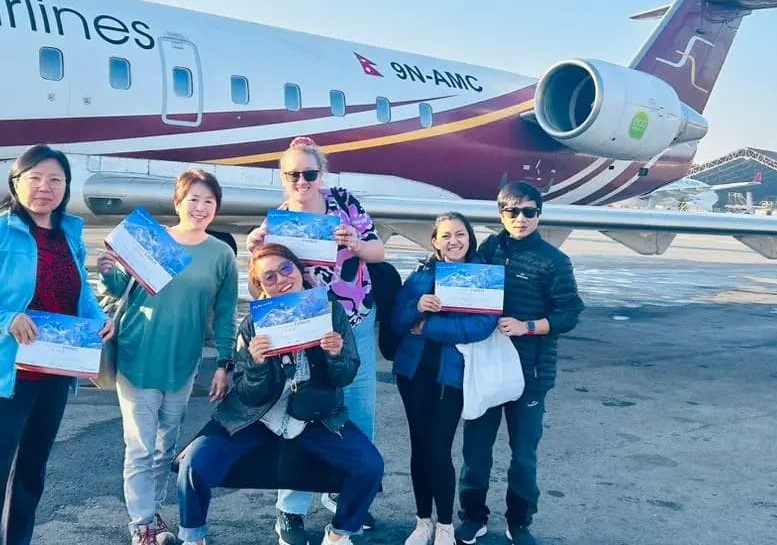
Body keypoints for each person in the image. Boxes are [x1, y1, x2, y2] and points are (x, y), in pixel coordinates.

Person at [0, 144, 114, 545]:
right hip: (5, 374)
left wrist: (99, 320)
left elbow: (78, 290)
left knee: (31, 473)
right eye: (34, 178)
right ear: (16, 183)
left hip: (53, 372)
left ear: (66, 188)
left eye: (55, 180)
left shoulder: (69, 231)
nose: (44, 188)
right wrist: (5, 318)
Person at [175, 243, 384, 545]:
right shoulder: (252, 324)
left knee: (370, 465)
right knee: (195, 462)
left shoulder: (331, 312)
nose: (281, 279)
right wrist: (258, 365)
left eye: (286, 269)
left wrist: (336, 354)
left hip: (315, 415)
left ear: (300, 271)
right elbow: (248, 395)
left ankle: (339, 533)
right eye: (269, 277)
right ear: (261, 286)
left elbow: (345, 374)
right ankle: (193, 537)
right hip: (256, 416)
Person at [244, 136, 385, 544]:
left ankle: (349, 496)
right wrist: (255, 248)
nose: (302, 181)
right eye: (293, 175)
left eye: (309, 173)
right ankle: (291, 509)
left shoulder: (343, 202)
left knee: (359, 412)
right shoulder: (277, 222)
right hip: (301, 329)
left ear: (320, 174)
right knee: (301, 414)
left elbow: (378, 251)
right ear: (283, 177)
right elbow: (262, 285)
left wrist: (356, 244)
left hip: (352, 321)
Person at [97, 169, 239, 545]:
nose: (201, 207)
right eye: (193, 199)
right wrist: (108, 271)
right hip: (137, 352)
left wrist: (225, 363)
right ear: (178, 202)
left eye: (209, 201)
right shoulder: (151, 241)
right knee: (141, 446)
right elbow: (117, 289)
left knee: (166, 445)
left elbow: (225, 314)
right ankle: (141, 524)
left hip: (184, 361)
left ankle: (153, 513)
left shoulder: (221, 254)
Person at [456, 182, 584, 545]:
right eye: (512, 211)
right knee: (475, 452)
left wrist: (527, 326)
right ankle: (473, 516)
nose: (521, 219)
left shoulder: (554, 260)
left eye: (529, 211)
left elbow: (570, 313)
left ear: (539, 214)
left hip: (531, 373)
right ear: (501, 214)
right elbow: (464, 284)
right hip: (486, 369)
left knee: (523, 455)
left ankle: (520, 520)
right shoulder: (489, 249)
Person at [393, 213, 498, 545]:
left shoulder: (483, 277)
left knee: (439, 449)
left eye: (460, 234)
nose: (454, 240)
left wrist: (427, 327)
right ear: (435, 241)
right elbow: (396, 319)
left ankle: (446, 524)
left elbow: (481, 327)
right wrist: (416, 307)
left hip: (451, 376)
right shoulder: (421, 275)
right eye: (446, 235)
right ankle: (423, 519)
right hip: (414, 373)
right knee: (420, 447)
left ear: (470, 238)